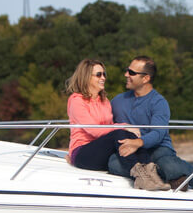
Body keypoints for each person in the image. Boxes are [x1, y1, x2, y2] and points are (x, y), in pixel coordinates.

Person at [107, 55, 193, 193]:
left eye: (131, 72)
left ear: (145, 78)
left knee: (169, 165)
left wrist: (137, 142)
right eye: (127, 70)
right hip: (133, 152)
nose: (126, 74)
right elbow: (103, 123)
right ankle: (172, 178)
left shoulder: (159, 102)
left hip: (158, 149)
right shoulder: (117, 101)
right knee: (113, 163)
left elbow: (158, 133)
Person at [65, 58, 170, 191]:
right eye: (98, 75)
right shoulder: (76, 101)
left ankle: (151, 174)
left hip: (102, 151)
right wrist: (124, 126)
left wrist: (127, 130)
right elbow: (95, 131)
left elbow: (109, 130)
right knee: (121, 131)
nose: (103, 78)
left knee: (126, 134)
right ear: (86, 77)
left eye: (104, 74)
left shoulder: (104, 101)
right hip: (83, 153)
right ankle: (141, 178)